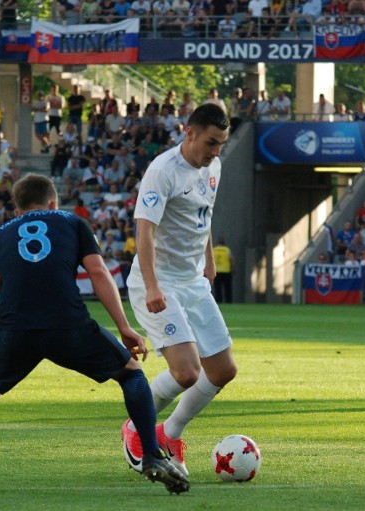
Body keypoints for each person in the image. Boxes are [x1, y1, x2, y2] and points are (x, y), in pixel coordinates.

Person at [0, 174, 189, 494]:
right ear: (54, 203)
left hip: (15, 329)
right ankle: (151, 455)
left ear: (17, 211)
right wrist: (124, 327)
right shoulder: (73, 222)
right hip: (68, 323)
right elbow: (97, 272)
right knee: (131, 372)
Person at [121, 104, 236, 479]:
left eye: (220, 144)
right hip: (159, 281)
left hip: (192, 280)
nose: (215, 151)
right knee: (186, 372)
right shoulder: (163, 170)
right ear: (189, 132)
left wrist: (208, 256)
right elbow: (144, 231)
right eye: (211, 142)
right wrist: (153, 285)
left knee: (222, 370)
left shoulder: (212, 167)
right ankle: (137, 428)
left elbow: (204, 213)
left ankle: (169, 435)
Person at [212, 236, 234, 303]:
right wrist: (232, 267)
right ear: (224, 243)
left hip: (216, 271)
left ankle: (219, 301)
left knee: (218, 288)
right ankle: (228, 301)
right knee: (227, 288)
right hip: (226, 271)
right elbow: (232, 259)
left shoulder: (214, 249)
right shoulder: (227, 250)